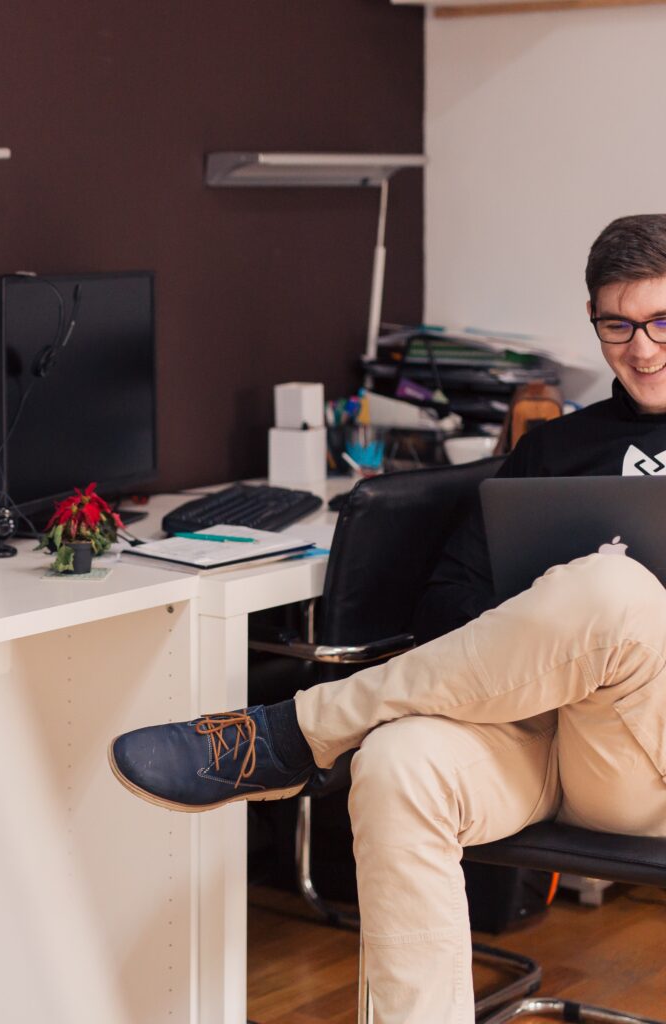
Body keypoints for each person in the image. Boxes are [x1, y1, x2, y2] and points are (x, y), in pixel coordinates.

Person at [109, 214, 666, 1024]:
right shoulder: (555, 449)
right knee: (397, 764)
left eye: (660, 321)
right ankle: (318, 740)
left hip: (647, 756)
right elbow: (450, 602)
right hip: (541, 736)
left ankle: (295, 734)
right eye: (617, 324)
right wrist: (540, 625)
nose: (640, 348)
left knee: (613, 592)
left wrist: (599, 606)